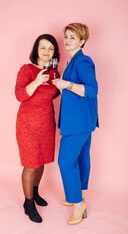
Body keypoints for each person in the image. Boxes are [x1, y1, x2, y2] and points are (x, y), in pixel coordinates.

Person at [52, 23, 99, 225]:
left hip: (78, 123)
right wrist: (62, 85)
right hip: (79, 121)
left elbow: (92, 90)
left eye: (73, 37)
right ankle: (77, 195)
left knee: (65, 162)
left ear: (82, 41)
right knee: (79, 159)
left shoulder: (83, 61)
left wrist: (66, 84)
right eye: (66, 36)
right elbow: (73, 92)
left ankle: (78, 204)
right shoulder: (72, 61)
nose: (68, 40)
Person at [15, 34, 60, 223]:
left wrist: (59, 84)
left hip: (46, 123)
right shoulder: (27, 70)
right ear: (36, 50)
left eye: (50, 48)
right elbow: (19, 95)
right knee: (31, 164)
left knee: (41, 161)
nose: (46, 51)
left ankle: (34, 193)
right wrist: (36, 82)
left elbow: (53, 94)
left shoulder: (54, 72)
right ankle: (28, 203)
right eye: (43, 47)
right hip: (28, 125)